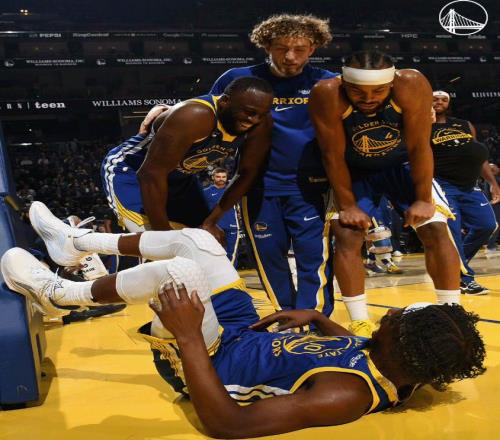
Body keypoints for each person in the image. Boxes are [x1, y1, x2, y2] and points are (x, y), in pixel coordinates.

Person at [1, 201, 486, 438]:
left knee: (180, 273)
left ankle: (62, 295)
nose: (394, 312)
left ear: (402, 343)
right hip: (239, 333)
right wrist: (318, 318)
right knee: (197, 241)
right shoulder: (394, 359)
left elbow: (228, 425)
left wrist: (189, 339)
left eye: (400, 318)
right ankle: (77, 244)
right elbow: (353, 351)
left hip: (207, 361)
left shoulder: (345, 395)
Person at [310, 51, 461, 336]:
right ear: (344, 83)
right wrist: (348, 205)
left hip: (402, 165)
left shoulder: (412, 83)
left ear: (391, 83)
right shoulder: (327, 93)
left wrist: (423, 200)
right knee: (347, 233)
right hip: (354, 169)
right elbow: (332, 156)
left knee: (435, 228)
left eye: (378, 91)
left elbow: (419, 147)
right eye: (358, 91)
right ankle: (359, 320)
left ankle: (453, 313)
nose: (368, 98)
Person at [210, 14, 336, 316]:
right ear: (266, 46)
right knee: (268, 256)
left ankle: (315, 317)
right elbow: (208, 110)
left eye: (300, 49)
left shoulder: (329, 82)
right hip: (256, 185)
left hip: (311, 187)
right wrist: (168, 108)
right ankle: (285, 314)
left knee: (313, 257)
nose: (290, 56)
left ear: (313, 48)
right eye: (281, 48)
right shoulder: (237, 79)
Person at [101, 77, 273, 243]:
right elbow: (150, 174)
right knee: (158, 247)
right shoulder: (195, 116)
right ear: (225, 101)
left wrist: (211, 221)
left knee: (205, 245)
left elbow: (246, 174)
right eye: (249, 112)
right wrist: (164, 237)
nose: (254, 120)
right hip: (132, 172)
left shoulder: (259, 123)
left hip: (180, 179)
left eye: (261, 114)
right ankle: (88, 242)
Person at [432, 90, 500, 295]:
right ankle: (465, 278)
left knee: (487, 225)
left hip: (470, 185)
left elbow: (478, 156)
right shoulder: (422, 125)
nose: (439, 102)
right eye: (435, 99)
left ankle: (451, 264)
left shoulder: (464, 125)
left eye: (444, 99)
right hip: (442, 185)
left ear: (449, 103)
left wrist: (493, 183)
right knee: (453, 234)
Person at [203, 167, 240, 266]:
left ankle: (231, 273)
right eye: (218, 177)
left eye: (223, 177)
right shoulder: (205, 192)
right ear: (213, 177)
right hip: (214, 227)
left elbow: (238, 206)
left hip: (232, 225)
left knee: (231, 252)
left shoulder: (233, 191)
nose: (221, 179)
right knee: (214, 252)